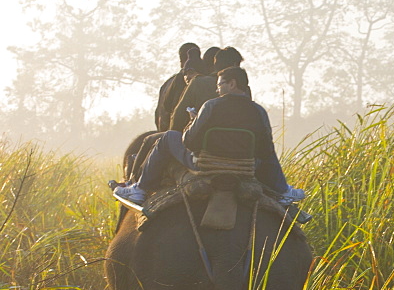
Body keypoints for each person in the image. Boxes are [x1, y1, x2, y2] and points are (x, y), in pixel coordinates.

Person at [115, 66, 304, 206]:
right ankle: (283, 191)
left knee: (168, 137)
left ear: (232, 83)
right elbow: (265, 149)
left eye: (220, 84)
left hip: (205, 164)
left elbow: (190, 142)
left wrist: (193, 122)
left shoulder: (211, 106)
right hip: (247, 166)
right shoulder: (258, 111)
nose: (217, 89)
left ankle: (140, 189)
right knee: (269, 151)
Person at [154, 43, 202, 131]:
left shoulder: (169, 84)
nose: (188, 77)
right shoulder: (214, 81)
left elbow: (162, 113)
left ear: (180, 61)